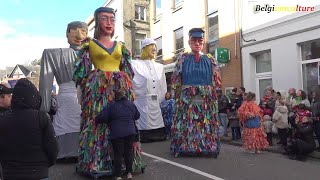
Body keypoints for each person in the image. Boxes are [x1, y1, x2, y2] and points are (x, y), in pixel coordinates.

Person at [73, 7, 143, 173]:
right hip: (99, 91)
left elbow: (128, 71)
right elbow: (80, 73)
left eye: (112, 19)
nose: (109, 22)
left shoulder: (120, 46)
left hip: (119, 89)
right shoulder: (90, 44)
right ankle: (98, 160)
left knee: (122, 121)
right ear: (97, 22)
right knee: (100, 120)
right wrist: (86, 86)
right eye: (104, 18)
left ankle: (125, 161)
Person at [39, 21, 87, 160]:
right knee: (67, 122)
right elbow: (45, 82)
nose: (79, 35)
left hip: (85, 97)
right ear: (67, 33)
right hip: (71, 97)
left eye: (83, 31)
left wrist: (45, 108)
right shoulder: (53, 54)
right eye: (75, 31)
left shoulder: (92, 54)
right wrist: (45, 107)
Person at [170, 28, 221, 157]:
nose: (197, 43)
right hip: (186, 100)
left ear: (203, 42)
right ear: (189, 41)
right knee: (188, 122)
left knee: (205, 122)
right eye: (194, 40)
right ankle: (185, 144)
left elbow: (216, 83)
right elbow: (176, 81)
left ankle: (207, 145)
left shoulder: (211, 60)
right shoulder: (182, 59)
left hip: (206, 101)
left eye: (200, 40)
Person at [0, 78, 58, 179]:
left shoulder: (3, 119)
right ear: (34, 97)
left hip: (11, 173)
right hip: (39, 173)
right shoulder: (41, 117)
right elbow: (53, 148)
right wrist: (44, 165)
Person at [95, 89, 139, 180]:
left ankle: (118, 175)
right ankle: (129, 173)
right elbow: (137, 116)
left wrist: (96, 119)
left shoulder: (112, 106)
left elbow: (103, 117)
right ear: (124, 95)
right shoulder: (130, 104)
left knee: (118, 154)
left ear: (115, 96)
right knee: (128, 153)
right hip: (130, 132)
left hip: (117, 133)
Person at [131, 38, 167, 142]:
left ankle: (159, 134)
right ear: (145, 49)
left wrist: (162, 100)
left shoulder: (160, 67)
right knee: (144, 120)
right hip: (143, 101)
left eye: (155, 48)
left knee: (157, 120)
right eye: (151, 47)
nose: (154, 49)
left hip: (156, 102)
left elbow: (162, 86)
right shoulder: (136, 64)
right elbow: (134, 82)